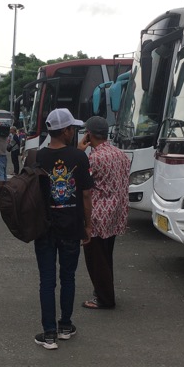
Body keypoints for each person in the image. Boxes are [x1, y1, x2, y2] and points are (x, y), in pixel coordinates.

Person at [33, 108, 94, 350]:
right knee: (68, 277)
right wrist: (88, 225)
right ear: (67, 130)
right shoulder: (80, 158)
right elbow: (87, 194)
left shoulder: (37, 157)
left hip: (44, 228)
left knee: (47, 281)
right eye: (72, 128)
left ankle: (49, 334)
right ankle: (65, 326)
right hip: (71, 226)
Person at [77, 116, 131, 310]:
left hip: (97, 214)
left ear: (89, 135)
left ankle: (104, 298)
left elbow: (80, 183)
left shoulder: (93, 158)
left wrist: (78, 152)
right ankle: (103, 291)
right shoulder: (120, 154)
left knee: (96, 259)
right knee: (106, 256)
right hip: (115, 213)